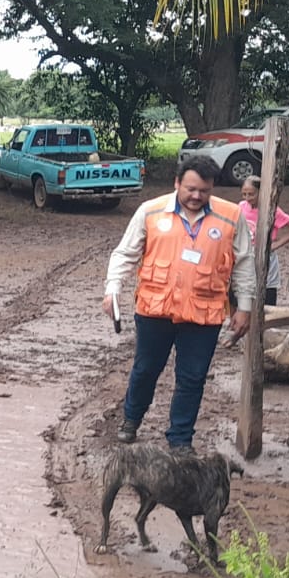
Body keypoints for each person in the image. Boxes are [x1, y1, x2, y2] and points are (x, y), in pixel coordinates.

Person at [102, 155, 256, 451]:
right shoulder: (150, 211)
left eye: (204, 190)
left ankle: (180, 439)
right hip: (155, 310)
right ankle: (131, 419)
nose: (197, 196)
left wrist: (245, 307)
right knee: (146, 369)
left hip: (203, 314)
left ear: (213, 188)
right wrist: (113, 289)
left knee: (192, 378)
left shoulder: (230, 216)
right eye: (191, 189)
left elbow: (244, 264)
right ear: (177, 183)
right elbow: (124, 254)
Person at [239, 175, 289, 307]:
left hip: (264, 255)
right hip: (246, 254)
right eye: (244, 194)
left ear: (261, 192)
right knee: (244, 290)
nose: (247, 198)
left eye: (251, 194)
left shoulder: (271, 210)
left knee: (266, 291)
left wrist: (276, 244)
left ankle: (266, 322)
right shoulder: (242, 206)